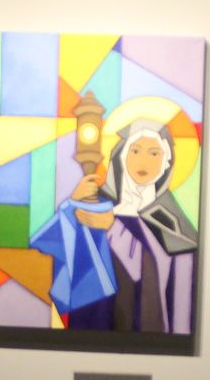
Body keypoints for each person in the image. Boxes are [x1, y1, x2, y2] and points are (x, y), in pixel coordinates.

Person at [33, 118, 198, 333]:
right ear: (122, 156)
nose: (143, 162)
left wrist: (113, 229)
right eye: (135, 151)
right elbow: (57, 246)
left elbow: (156, 272)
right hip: (96, 319)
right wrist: (72, 204)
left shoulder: (170, 219)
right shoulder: (98, 203)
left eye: (154, 153)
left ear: (166, 161)